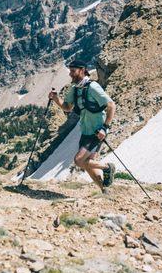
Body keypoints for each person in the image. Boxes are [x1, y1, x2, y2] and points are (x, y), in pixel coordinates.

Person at [48, 59, 116, 193]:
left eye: (73, 71)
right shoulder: (75, 88)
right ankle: (104, 190)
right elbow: (67, 107)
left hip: (97, 131)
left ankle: (108, 168)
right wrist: (55, 98)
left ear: (82, 70)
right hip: (86, 131)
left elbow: (111, 105)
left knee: (79, 160)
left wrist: (105, 127)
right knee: (89, 163)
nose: (70, 74)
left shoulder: (93, 87)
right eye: (70, 71)